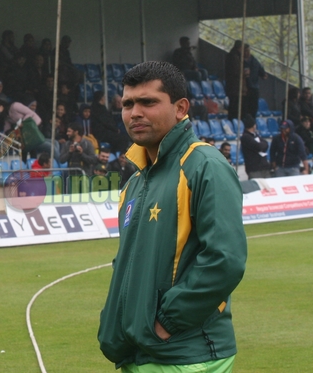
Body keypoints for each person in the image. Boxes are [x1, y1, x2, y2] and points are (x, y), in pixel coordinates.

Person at [98, 61, 246, 372]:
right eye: (128, 104)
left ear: (180, 108)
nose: (135, 112)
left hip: (187, 355)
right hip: (139, 351)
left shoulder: (205, 165)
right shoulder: (135, 182)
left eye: (148, 102)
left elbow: (224, 259)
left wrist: (165, 322)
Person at [241, 44, 267, 119]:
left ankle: (252, 122)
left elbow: (261, 71)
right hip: (245, 88)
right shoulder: (240, 61)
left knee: (253, 108)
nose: (247, 53)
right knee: (245, 108)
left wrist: (263, 75)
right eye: (245, 51)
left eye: (248, 51)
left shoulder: (255, 61)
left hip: (254, 87)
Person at [225, 40, 244, 120]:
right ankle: (232, 119)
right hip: (233, 85)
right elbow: (235, 71)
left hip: (232, 85)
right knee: (234, 103)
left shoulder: (233, 55)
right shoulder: (234, 57)